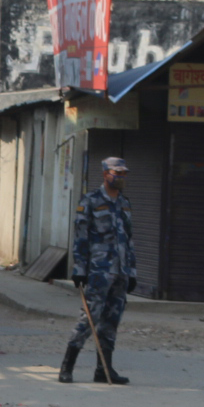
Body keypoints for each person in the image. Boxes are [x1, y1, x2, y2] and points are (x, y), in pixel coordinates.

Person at [61, 156, 137, 385]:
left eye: (123, 174)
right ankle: (67, 366)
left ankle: (103, 370)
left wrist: (132, 271)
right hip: (98, 270)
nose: (121, 177)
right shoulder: (91, 201)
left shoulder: (124, 203)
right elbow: (80, 238)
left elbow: (129, 239)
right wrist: (79, 268)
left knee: (111, 321)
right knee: (89, 318)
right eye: (117, 173)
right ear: (105, 174)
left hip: (121, 271)